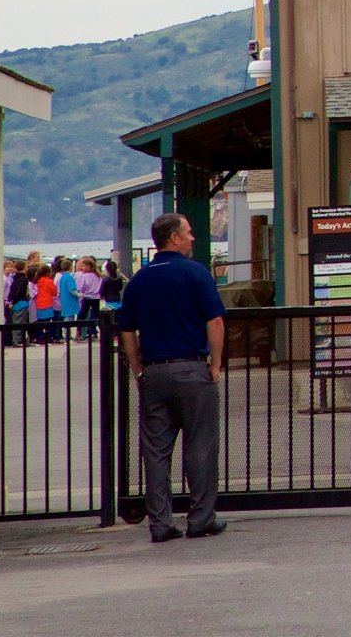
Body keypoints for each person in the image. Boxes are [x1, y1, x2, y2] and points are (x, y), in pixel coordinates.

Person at [116, 213, 228, 542]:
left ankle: (161, 523)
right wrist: (216, 363)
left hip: (154, 371)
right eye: (189, 232)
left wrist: (138, 368)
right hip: (192, 368)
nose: (193, 238)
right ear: (175, 238)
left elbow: (126, 330)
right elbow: (215, 321)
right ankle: (201, 518)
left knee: (156, 450)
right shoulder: (195, 273)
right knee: (201, 446)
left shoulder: (139, 280)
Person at [75, 258, 104, 340]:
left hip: (87, 296)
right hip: (96, 297)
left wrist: (82, 292)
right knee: (95, 315)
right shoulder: (98, 276)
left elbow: (82, 286)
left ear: (88, 266)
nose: (82, 268)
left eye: (83, 266)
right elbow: (100, 286)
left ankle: (78, 332)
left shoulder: (84, 276)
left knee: (82, 315)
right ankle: (95, 331)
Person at [32, 263, 60, 344]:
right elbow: (54, 293)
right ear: (48, 272)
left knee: (40, 321)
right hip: (47, 303)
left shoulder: (37, 281)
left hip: (39, 303)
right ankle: (48, 337)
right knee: (48, 322)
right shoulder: (49, 281)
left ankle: (39, 337)